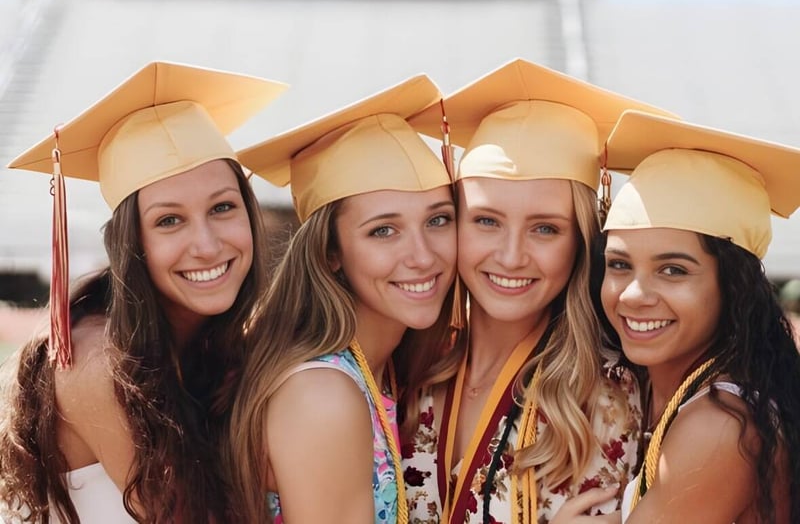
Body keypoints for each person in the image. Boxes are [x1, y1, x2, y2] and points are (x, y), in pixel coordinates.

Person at [0, 61, 287, 523]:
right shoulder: (98, 360)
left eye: (222, 207)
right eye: (169, 220)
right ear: (132, 243)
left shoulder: (219, 342)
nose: (208, 245)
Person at [401, 59, 676, 524]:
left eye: (545, 229)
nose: (511, 257)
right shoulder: (412, 365)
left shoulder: (600, 395)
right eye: (487, 221)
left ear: (580, 243)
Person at [227, 75, 458, 523]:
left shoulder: (380, 368)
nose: (423, 255)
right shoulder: (322, 394)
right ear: (330, 252)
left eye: (438, 220)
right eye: (383, 231)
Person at [591, 110, 800, 523]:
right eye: (619, 265)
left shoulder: (720, 425)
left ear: (732, 286)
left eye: (674, 270)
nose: (633, 294)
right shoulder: (674, 392)